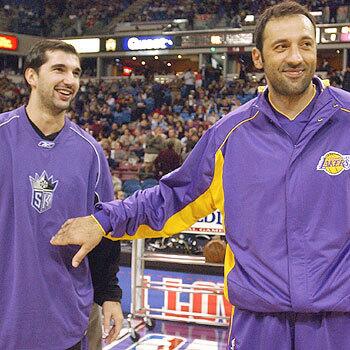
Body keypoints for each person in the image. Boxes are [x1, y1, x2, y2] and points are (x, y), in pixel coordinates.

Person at [52, 2, 350, 350]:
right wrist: (104, 221)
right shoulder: (231, 136)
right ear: (258, 58)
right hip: (258, 324)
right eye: (281, 47)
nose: (296, 57)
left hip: (338, 323)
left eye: (305, 44)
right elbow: (172, 198)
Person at [0, 40, 123, 350]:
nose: (70, 80)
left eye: (76, 72)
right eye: (59, 69)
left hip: (66, 321)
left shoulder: (90, 152)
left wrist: (109, 295)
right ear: (31, 76)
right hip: (7, 316)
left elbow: (104, 227)